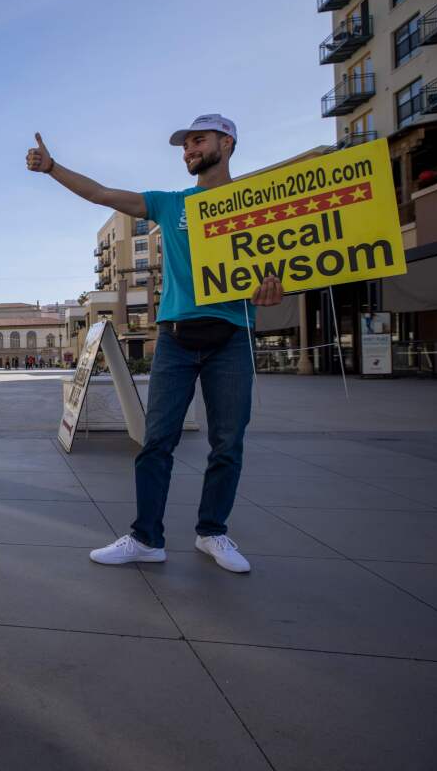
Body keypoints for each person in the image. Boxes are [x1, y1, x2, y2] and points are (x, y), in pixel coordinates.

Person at [26, 114, 283, 574]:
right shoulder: (172, 204)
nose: (188, 151)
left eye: (197, 141)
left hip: (232, 337)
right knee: (155, 442)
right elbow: (101, 193)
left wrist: (275, 281)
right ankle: (146, 538)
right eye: (184, 145)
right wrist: (53, 168)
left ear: (227, 142)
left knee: (228, 443)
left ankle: (213, 533)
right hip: (176, 340)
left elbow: (286, 258)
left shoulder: (253, 204)